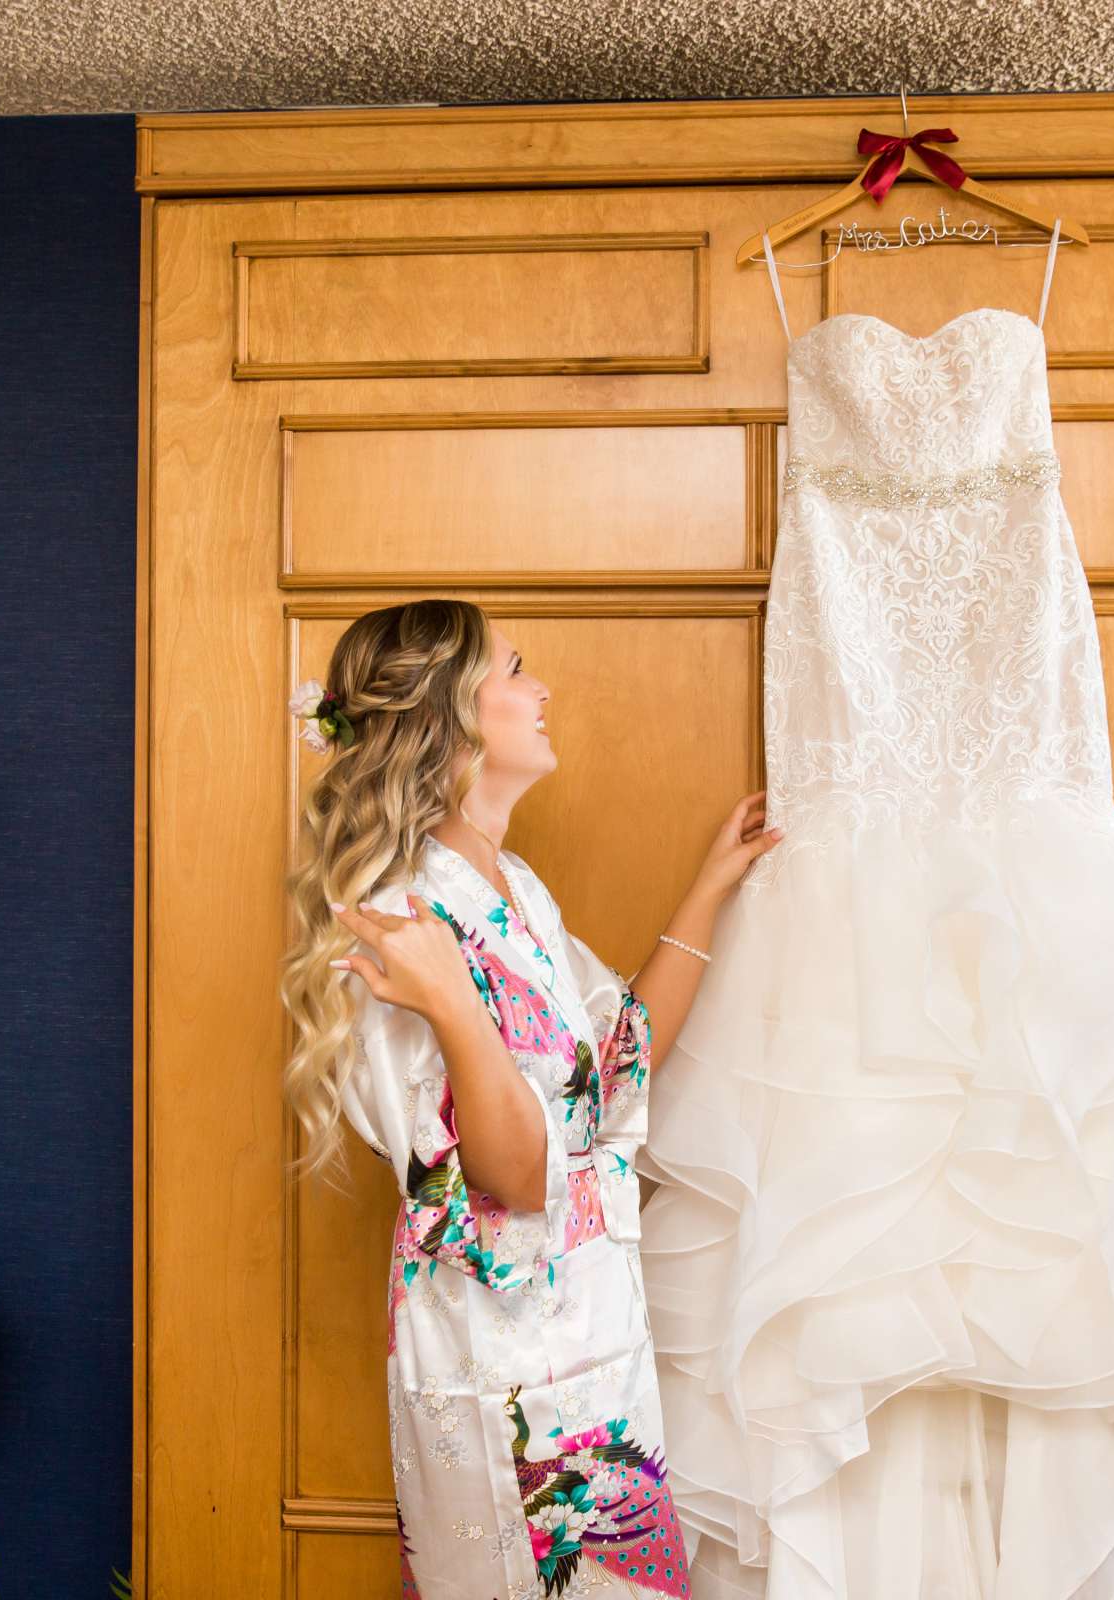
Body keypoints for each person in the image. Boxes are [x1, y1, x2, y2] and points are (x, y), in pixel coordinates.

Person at [279, 597, 781, 1599]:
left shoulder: (514, 888)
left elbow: (613, 1071)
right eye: (515, 669)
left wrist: (711, 886)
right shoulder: (394, 920)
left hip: (594, 1351)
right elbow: (508, 1177)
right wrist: (459, 1010)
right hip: (498, 1373)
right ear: (449, 716)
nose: (541, 689)